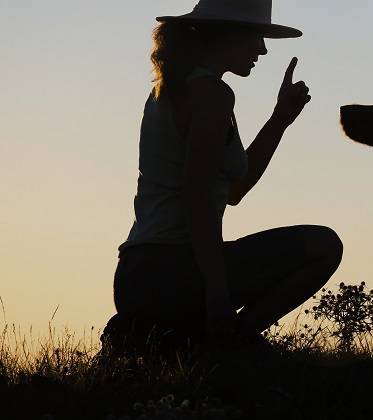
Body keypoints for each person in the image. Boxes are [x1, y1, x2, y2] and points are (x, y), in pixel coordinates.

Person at [103, 0, 341, 355]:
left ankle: (203, 341)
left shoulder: (173, 90)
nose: (262, 49)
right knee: (324, 246)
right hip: (174, 270)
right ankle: (233, 344)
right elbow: (196, 196)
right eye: (257, 36)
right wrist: (217, 292)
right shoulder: (211, 94)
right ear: (227, 35)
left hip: (141, 275)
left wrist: (279, 120)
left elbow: (232, 191)